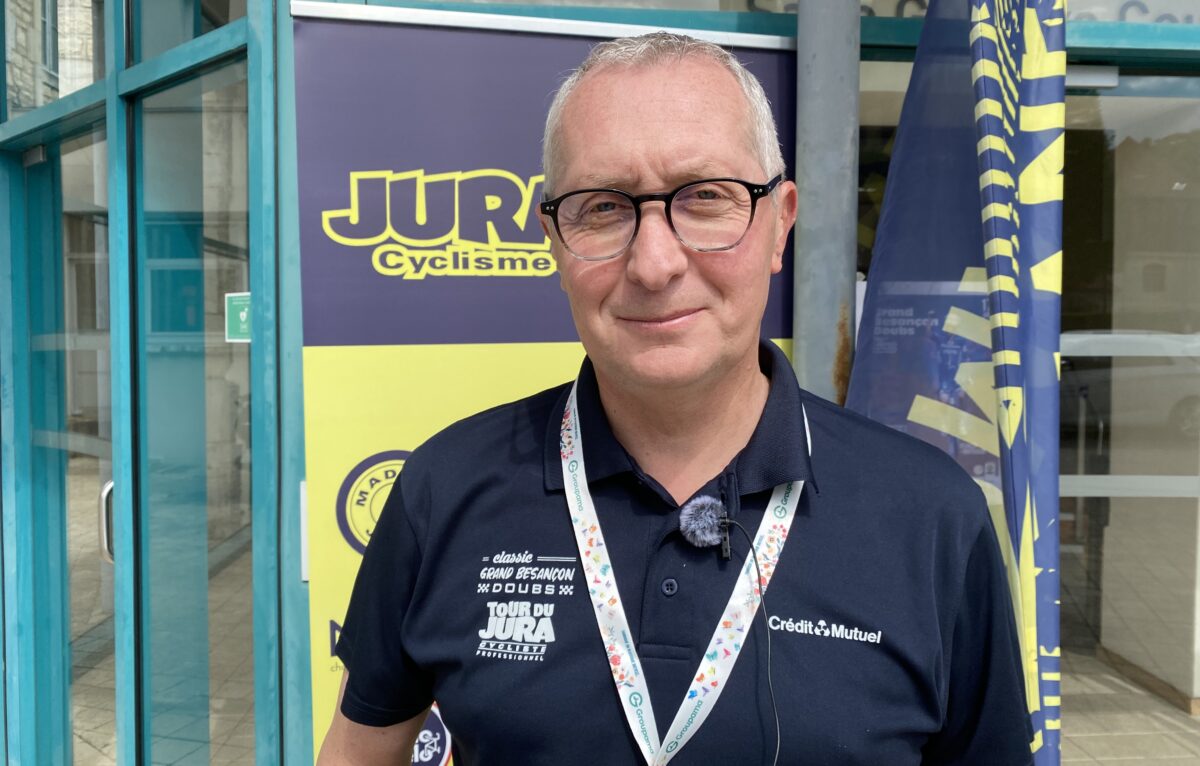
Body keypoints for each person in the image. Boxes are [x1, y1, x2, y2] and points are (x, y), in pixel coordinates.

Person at [317, 32, 1032, 766]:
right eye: (602, 208)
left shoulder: (934, 520)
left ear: (780, 223)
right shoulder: (445, 491)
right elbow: (356, 753)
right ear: (554, 241)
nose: (655, 264)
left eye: (705, 198)